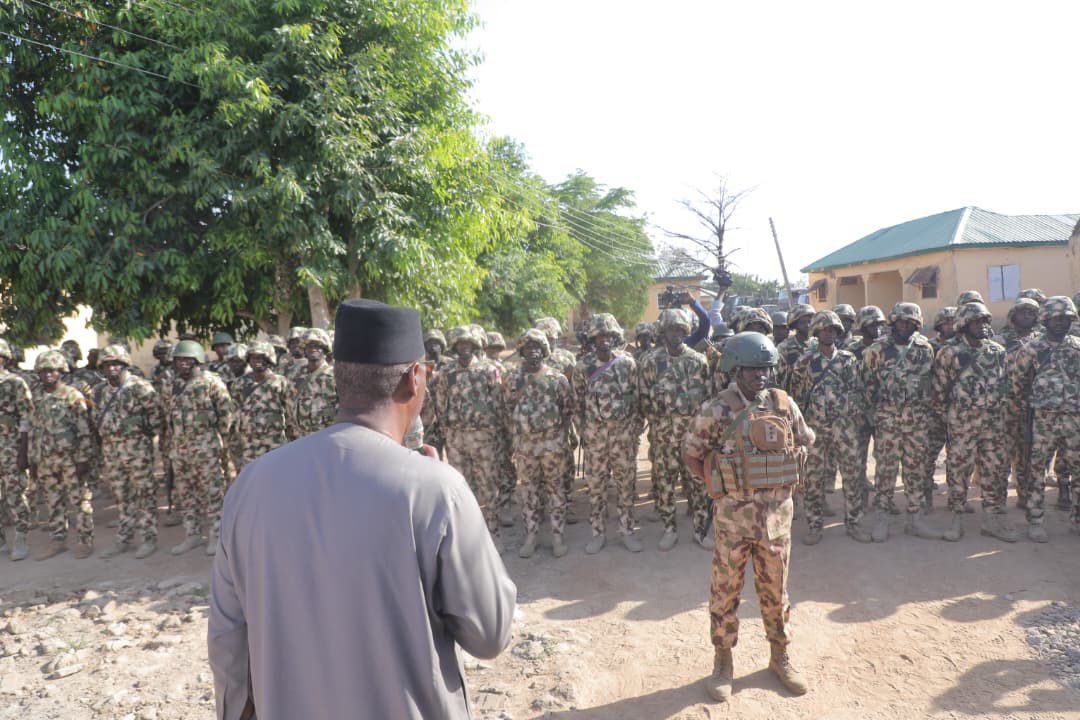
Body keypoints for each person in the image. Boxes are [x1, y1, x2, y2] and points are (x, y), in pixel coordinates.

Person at [209, 299, 516, 720]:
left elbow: (229, 643)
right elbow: (490, 633)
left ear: (339, 379)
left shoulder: (250, 484)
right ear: (415, 378)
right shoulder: (435, 488)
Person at [683, 332, 813, 703]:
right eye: (753, 369)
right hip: (733, 524)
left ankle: (780, 655)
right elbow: (692, 453)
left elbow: (806, 438)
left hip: (776, 523)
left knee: (776, 592)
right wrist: (719, 485)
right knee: (725, 592)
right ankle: (722, 660)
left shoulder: (784, 404)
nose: (761, 376)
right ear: (735, 369)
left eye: (766, 369)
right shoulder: (717, 410)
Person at [931, 303, 1017, 543]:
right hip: (962, 425)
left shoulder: (997, 351)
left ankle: (991, 520)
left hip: (992, 424)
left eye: (984, 321)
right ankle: (956, 518)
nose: (982, 326)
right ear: (964, 325)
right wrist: (949, 419)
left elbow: (1005, 385)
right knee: (959, 470)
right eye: (976, 322)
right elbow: (938, 391)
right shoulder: (949, 352)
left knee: (995, 471)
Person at [861, 302, 942, 542]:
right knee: (886, 470)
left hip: (916, 422)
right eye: (901, 322)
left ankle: (914, 519)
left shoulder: (924, 349)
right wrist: (878, 414)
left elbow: (930, 385)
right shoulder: (877, 350)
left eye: (910, 322)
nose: (905, 326)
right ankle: (882, 517)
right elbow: (866, 385)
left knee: (915, 469)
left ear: (917, 324)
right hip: (888, 421)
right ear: (893, 322)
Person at [789, 311, 869, 543]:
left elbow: (856, 390)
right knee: (813, 478)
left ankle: (854, 523)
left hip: (844, 427)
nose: (829, 333)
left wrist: (852, 419)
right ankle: (815, 525)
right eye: (824, 329)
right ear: (816, 332)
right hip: (815, 428)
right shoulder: (805, 362)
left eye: (833, 329)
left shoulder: (847, 359)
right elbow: (797, 395)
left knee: (852, 476)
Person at [638, 309, 711, 551]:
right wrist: (659, 426)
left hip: (693, 438)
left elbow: (708, 400)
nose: (676, 334)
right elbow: (644, 399)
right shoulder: (650, 362)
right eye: (671, 329)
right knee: (666, 484)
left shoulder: (698, 361)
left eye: (680, 329)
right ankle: (669, 529)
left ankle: (702, 529)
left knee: (699, 484)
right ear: (663, 332)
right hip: (663, 437)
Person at [1011, 296, 1080, 541]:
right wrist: (1029, 413)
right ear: (1046, 320)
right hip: (1042, 419)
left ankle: (1077, 519)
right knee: (1036, 471)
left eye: (1066, 319)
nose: (1061, 323)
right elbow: (1019, 384)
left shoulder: (1077, 346)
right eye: (1056, 319)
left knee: (1077, 470)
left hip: (1074, 419)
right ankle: (1036, 520)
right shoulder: (1031, 349)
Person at [571, 313, 642, 554]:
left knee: (625, 485)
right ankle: (597, 533)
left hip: (623, 437)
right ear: (592, 338)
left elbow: (636, 398)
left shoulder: (627, 363)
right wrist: (584, 430)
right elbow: (576, 403)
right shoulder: (583, 367)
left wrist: (633, 429)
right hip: (596, 438)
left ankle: (627, 532)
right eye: (599, 336)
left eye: (609, 336)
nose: (604, 340)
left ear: (615, 337)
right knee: (596, 487)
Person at [503, 329, 573, 558]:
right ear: (521, 351)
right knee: (529, 491)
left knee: (555, 490)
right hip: (525, 446)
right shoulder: (512, 378)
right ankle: (531, 534)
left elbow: (567, 411)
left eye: (537, 347)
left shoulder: (556, 378)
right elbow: (506, 408)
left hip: (552, 445)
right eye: (528, 347)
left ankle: (557, 535)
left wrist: (558, 438)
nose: (533, 350)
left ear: (544, 350)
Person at [434, 326, 506, 546]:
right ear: (454, 347)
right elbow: (440, 403)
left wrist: (497, 434)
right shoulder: (447, 373)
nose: (464, 349)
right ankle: (467, 536)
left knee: (488, 484)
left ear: (475, 346)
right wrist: (447, 432)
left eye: (468, 345)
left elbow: (499, 403)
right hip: (456, 438)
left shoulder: (489, 370)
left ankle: (493, 533)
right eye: (460, 345)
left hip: (483, 437)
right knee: (460, 487)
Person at [162, 340, 234, 556]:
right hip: (180, 451)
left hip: (206, 449)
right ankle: (192, 535)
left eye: (187, 360)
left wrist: (217, 443)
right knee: (186, 494)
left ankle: (216, 536)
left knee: (212, 494)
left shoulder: (212, 383)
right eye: (179, 360)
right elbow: (168, 417)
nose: (182, 364)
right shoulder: (171, 386)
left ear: (197, 360)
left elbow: (226, 416)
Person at [93, 344, 163, 559]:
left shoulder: (140, 388)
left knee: (145, 494)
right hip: (112, 452)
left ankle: (149, 538)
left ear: (124, 365)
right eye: (107, 364)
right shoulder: (100, 391)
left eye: (116, 364)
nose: (112, 368)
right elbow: (97, 418)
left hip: (137, 451)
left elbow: (156, 418)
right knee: (122, 496)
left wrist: (143, 440)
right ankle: (124, 538)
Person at [29, 350, 94, 560]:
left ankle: (85, 541)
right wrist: (33, 459)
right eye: (44, 371)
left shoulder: (72, 395)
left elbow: (84, 429)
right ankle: (58, 540)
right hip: (46, 459)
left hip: (70, 459)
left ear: (61, 372)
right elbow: (33, 428)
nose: (48, 374)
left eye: (53, 371)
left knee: (79, 500)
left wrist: (83, 458)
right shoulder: (36, 396)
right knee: (53, 501)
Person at [233, 341, 296, 470]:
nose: (257, 361)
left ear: (269, 359)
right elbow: (234, 412)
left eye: (261, 357)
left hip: (275, 442)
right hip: (249, 444)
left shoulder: (280, 383)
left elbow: (291, 415)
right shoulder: (239, 384)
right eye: (253, 357)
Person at [0, 339, 33, 561]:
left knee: (15, 495)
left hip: (10, 448)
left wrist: (23, 452)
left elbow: (26, 418)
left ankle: (21, 537)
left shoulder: (15, 383)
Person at [293, 329, 338, 436]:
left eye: (317, 345)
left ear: (325, 349)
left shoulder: (335, 375)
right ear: (304, 349)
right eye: (309, 345)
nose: (313, 349)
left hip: (327, 436)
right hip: (302, 438)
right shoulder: (297, 375)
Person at [773, 304, 815, 393]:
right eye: (802, 322)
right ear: (795, 325)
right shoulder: (784, 347)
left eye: (809, 321)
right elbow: (777, 377)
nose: (807, 325)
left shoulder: (818, 344)